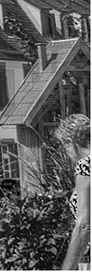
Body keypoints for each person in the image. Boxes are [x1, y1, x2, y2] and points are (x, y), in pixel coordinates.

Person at [60, 113, 90, 270]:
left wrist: (68, 268)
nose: (67, 154)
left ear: (71, 142)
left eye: (65, 147)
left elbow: (84, 225)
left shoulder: (86, 166)